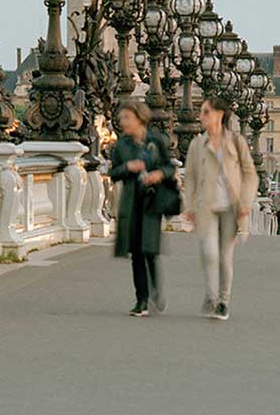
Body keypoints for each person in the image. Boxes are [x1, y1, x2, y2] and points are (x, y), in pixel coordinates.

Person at [182, 94, 256, 321]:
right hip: (206, 206)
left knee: (224, 256)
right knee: (210, 253)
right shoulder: (197, 144)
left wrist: (246, 202)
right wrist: (190, 205)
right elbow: (191, 177)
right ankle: (211, 296)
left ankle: (223, 301)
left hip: (232, 207)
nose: (201, 116)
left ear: (219, 115)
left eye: (206, 112)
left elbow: (250, 174)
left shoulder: (236, 141)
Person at [109, 98, 174, 317]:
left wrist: (159, 174)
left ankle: (156, 290)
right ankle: (141, 300)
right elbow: (113, 173)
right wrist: (127, 167)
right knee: (136, 252)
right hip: (131, 202)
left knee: (149, 250)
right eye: (121, 118)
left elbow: (169, 168)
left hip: (152, 202)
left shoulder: (157, 141)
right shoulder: (121, 146)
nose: (123, 122)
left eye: (126, 117)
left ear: (139, 118)